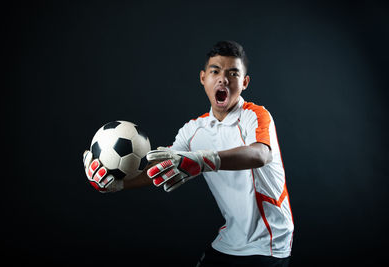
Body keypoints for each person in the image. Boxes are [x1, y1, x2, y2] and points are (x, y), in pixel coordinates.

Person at [83, 40, 294, 267]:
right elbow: (160, 168)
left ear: (244, 82)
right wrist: (118, 183)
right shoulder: (193, 130)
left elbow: (260, 154)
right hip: (230, 239)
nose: (223, 78)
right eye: (216, 71)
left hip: (268, 241)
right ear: (203, 78)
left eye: (233, 73)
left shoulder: (256, 116)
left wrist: (205, 160)